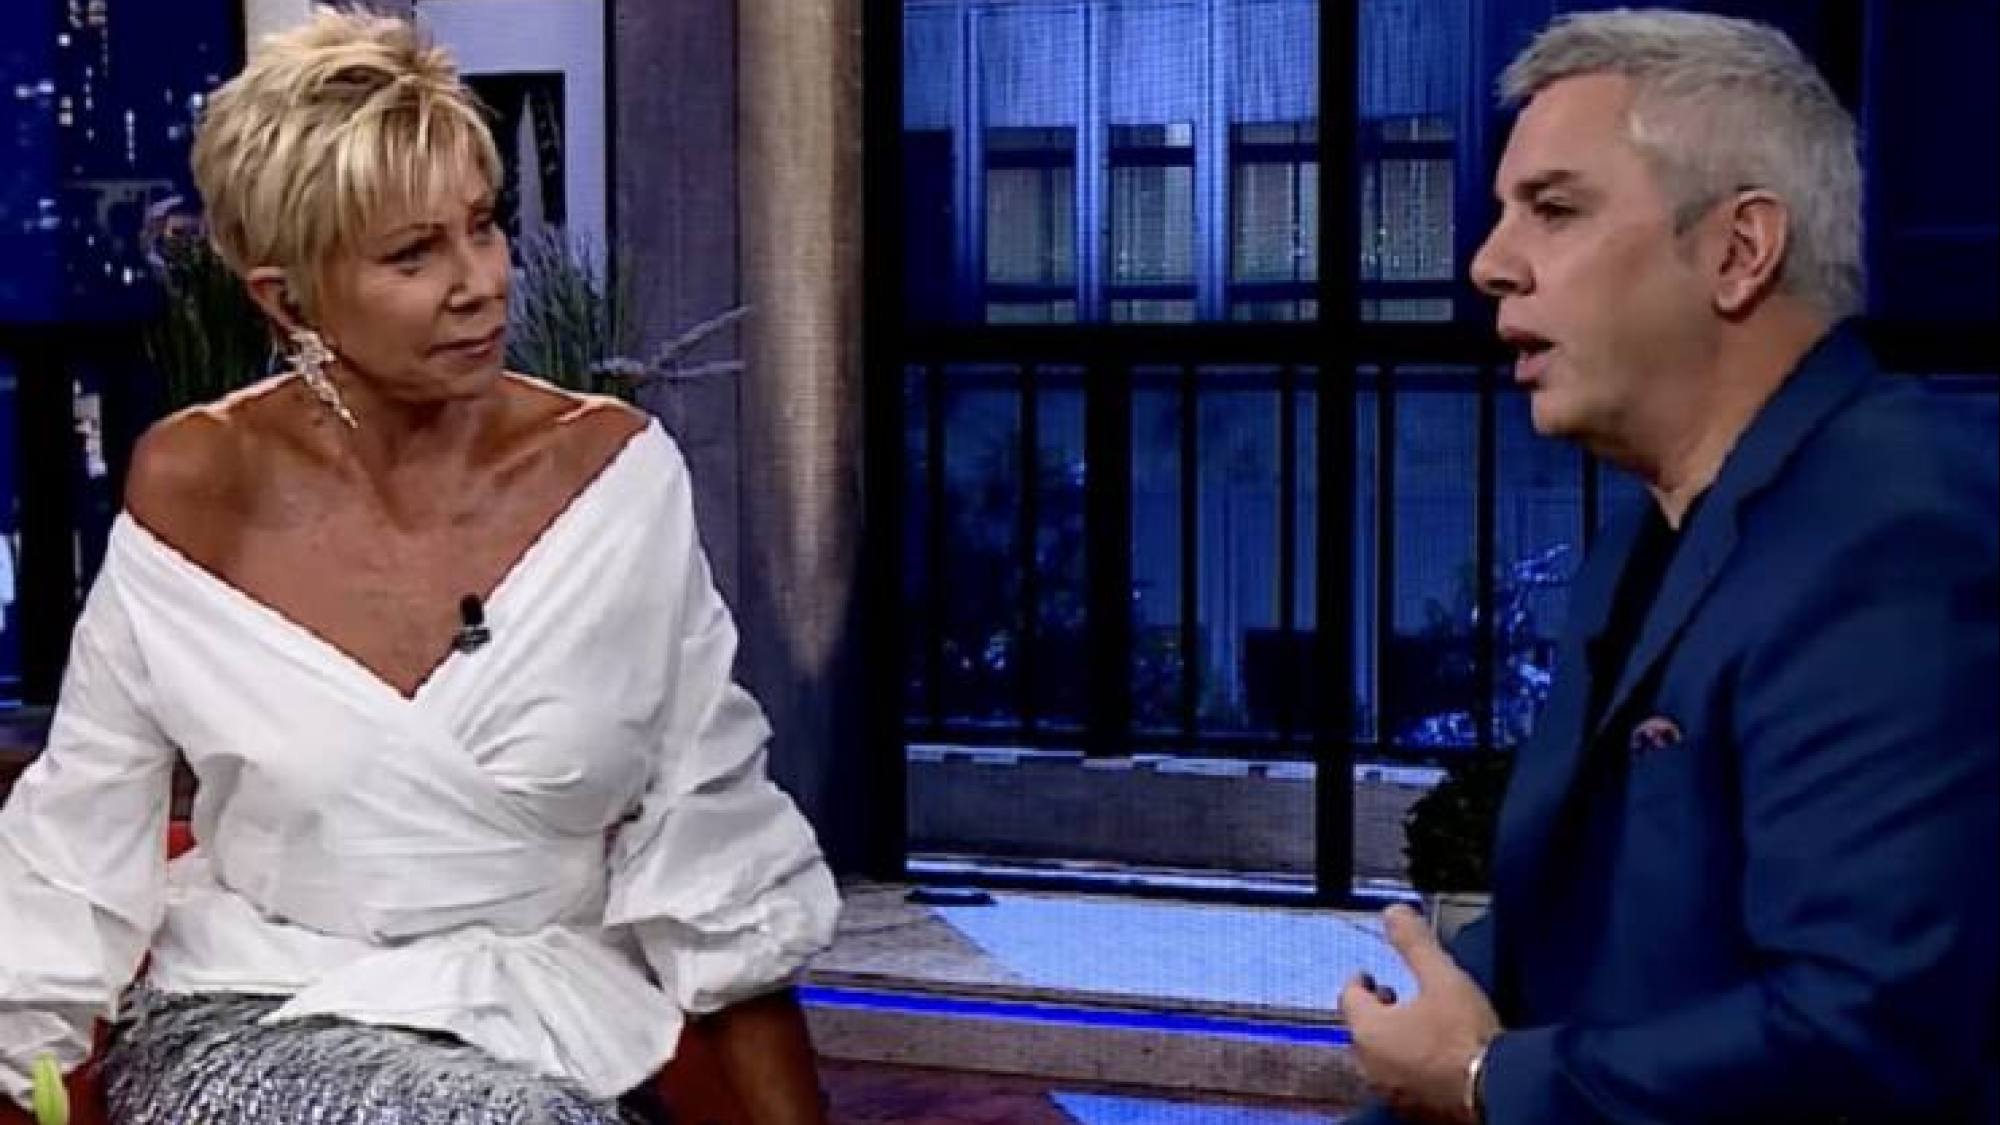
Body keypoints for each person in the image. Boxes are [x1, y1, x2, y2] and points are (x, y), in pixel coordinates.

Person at [0, 11, 839, 1124]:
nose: (480, 282)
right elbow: (81, 827)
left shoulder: (615, 479)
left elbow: (707, 828)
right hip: (260, 1009)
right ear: (285, 297)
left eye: (482, 227)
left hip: (554, 1025)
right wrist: (23, 1062)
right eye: (413, 255)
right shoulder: (196, 484)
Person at [1340, 9, 1998, 1124]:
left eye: (1553, 209)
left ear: (1738, 251)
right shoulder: (1646, 541)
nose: (1489, 264)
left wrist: (1483, 1084)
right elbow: (1562, 947)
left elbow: (1864, 1033)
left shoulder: (1899, 527)